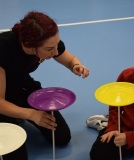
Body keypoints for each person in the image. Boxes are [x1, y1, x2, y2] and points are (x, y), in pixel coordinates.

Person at [0, 11, 89, 160]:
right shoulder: (3, 48)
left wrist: (76, 65)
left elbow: (70, 59)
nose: (55, 52)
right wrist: (31, 114)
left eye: (56, 45)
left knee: (61, 137)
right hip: (2, 99)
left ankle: (17, 115)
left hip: (22, 86)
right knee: (16, 156)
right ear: (30, 45)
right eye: (49, 49)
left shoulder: (49, 43)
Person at [90, 43, 134, 160]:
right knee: (98, 155)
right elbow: (115, 105)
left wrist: (130, 138)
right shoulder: (126, 75)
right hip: (122, 127)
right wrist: (113, 127)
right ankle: (105, 124)